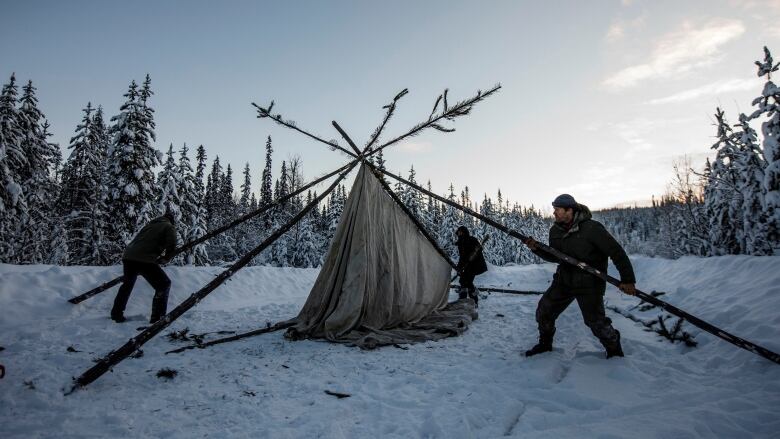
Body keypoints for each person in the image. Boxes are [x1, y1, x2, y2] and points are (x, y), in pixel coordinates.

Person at [523, 194, 637, 358]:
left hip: (590, 284)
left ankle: (614, 349)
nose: (554, 213)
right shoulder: (555, 230)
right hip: (564, 280)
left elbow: (617, 253)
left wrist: (628, 280)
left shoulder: (592, 229)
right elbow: (556, 256)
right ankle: (545, 345)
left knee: (595, 322)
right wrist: (536, 249)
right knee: (544, 311)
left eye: (557, 210)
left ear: (569, 210)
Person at [111, 212, 177, 324]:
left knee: (127, 286)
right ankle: (158, 318)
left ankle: (116, 314)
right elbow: (172, 242)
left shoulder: (149, 225)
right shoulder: (168, 226)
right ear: (171, 220)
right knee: (163, 284)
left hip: (128, 257)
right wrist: (167, 257)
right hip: (144, 258)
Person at [455, 226, 488, 307]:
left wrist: (472, 256)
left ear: (464, 232)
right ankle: (464, 300)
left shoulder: (472, 240)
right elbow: (462, 256)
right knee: (464, 282)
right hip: (467, 265)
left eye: (460, 231)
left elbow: (479, 250)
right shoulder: (460, 242)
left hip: (475, 265)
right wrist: (459, 267)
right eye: (458, 232)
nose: (459, 233)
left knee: (467, 282)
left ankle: (473, 301)